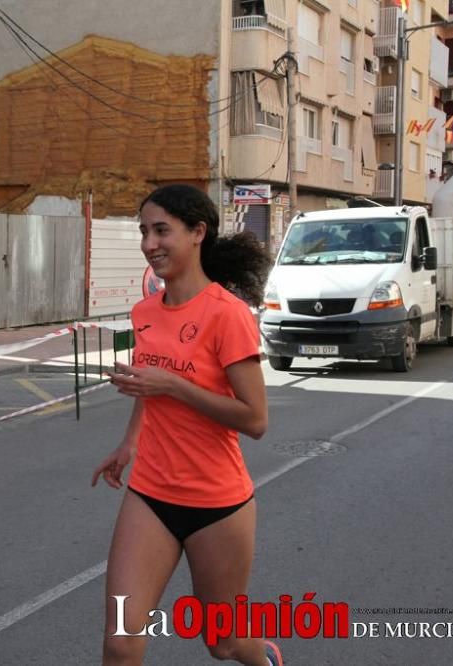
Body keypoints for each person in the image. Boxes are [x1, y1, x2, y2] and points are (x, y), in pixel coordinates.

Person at [91, 184, 281, 666]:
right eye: (144, 232)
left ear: (198, 233)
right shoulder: (144, 313)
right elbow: (147, 389)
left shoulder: (228, 315)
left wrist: (174, 386)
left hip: (217, 504)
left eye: (161, 230)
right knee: (119, 641)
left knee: (225, 643)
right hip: (150, 494)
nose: (150, 243)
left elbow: (255, 420)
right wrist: (128, 443)